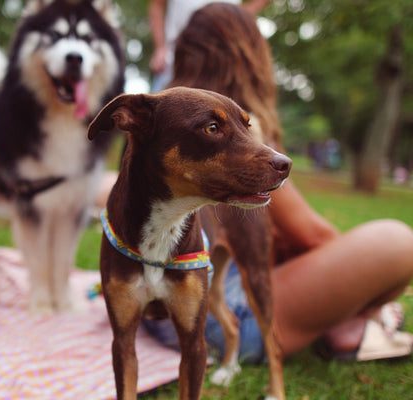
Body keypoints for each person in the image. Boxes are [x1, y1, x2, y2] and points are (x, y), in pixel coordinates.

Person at [141, 2, 413, 363]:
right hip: (214, 318)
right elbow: (313, 235)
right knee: (396, 243)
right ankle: (352, 325)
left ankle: (347, 326)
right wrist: (365, 288)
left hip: (152, 310)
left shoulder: (166, 119)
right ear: (250, 55)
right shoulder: (243, 132)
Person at [148, 0, 271, 92]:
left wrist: (239, 18)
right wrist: (160, 48)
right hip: (177, 56)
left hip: (226, 55)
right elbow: (157, 6)